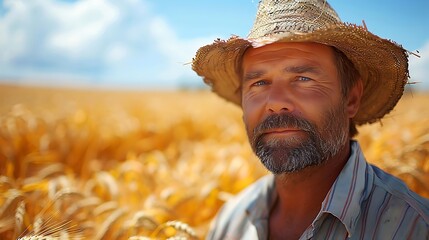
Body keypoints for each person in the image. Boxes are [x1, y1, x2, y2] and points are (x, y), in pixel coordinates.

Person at [192, 0, 429, 239]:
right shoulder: (230, 221)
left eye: (303, 78)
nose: (275, 102)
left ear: (351, 98)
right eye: (259, 83)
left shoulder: (415, 227)